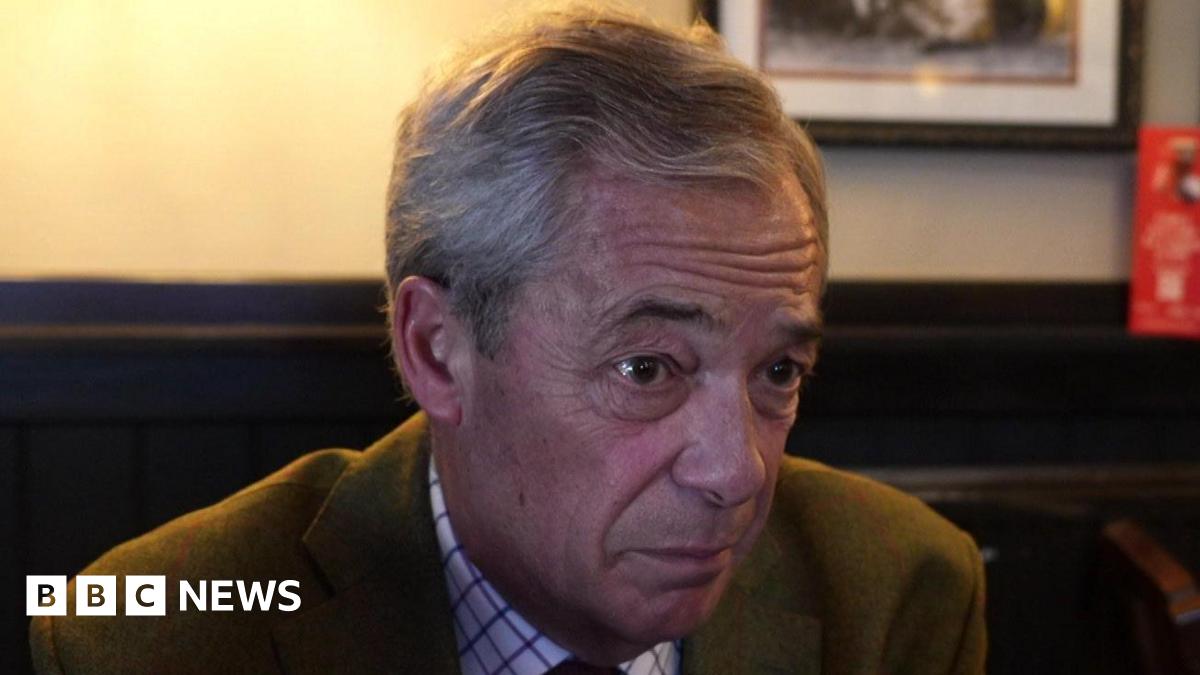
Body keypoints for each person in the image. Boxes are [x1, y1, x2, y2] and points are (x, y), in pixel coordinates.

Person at [30, 6, 985, 674]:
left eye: (779, 370)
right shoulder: (158, 629)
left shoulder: (899, 591)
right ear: (439, 349)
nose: (737, 472)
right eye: (646, 367)